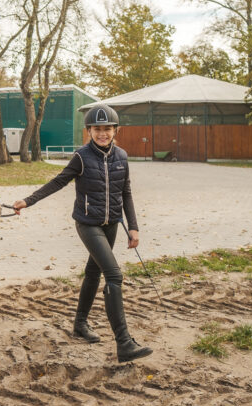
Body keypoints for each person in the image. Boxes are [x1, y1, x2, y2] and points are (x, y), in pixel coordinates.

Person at [13, 105, 153, 363]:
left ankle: (80, 323)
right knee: (114, 274)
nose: (102, 134)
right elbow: (59, 181)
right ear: (89, 131)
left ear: (115, 130)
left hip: (111, 225)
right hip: (88, 224)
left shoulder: (121, 156)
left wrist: (133, 227)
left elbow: (126, 193)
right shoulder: (81, 157)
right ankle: (124, 342)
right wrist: (28, 200)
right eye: (97, 129)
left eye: (107, 129)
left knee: (93, 272)